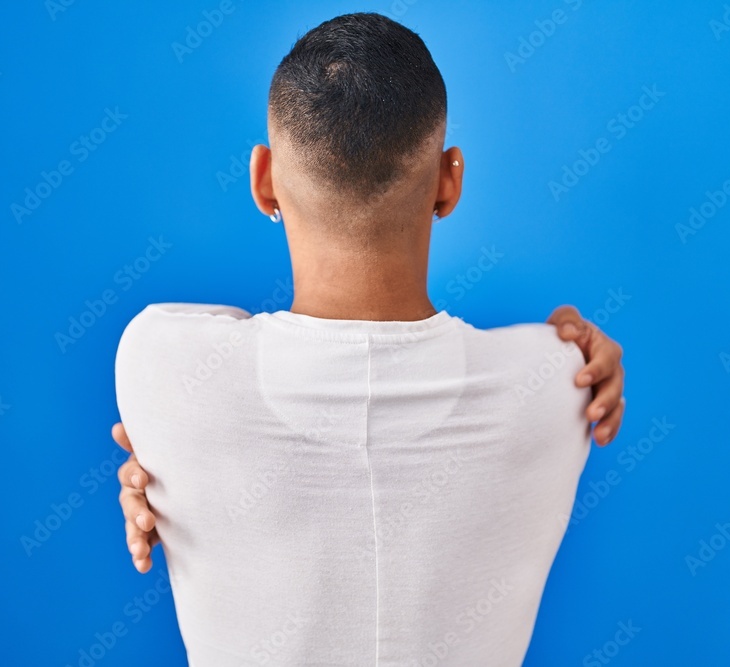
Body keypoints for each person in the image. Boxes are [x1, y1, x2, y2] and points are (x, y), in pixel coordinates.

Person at [113, 12, 625, 665]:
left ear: (263, 178)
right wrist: (570, 339)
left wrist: (164, 455)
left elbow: (221, 348)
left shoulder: (160, 362)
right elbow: (558, 356)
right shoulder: (561, 385)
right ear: (450, 180)